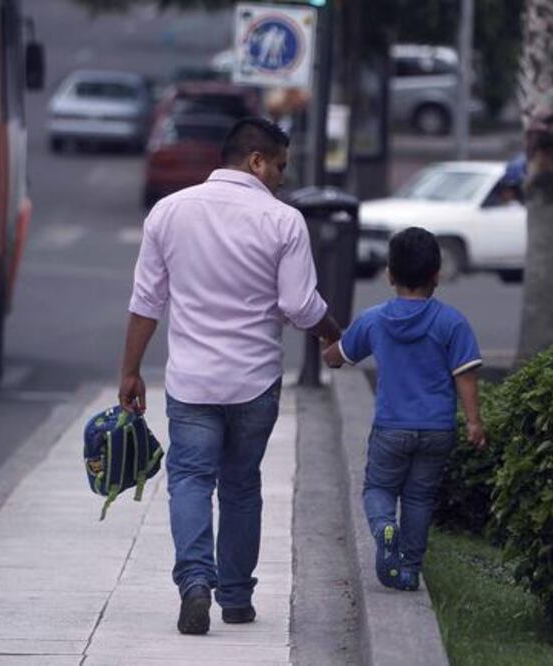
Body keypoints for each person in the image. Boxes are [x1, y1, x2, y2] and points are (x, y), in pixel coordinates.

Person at [118, 117, 341, 635]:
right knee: (241, 485)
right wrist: (334, 334)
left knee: (191, 481)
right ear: (256, 160)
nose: (284, 178)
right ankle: (236, 598)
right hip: (254, 381)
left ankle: (196, 583)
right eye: (281, 166)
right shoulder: (284, 222)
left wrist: (130, 372)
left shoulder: (169, 212)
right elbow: (298, 303)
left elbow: (147, 302)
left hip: (192, 381)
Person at [322, 227, 487, 591]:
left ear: (389, 275)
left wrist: (327, 344)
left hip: (391, 427)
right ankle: (409, 568)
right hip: (437, 429)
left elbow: (337, 359)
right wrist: (474, 422)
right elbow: (466, 377)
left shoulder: (374, 319)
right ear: (437, 276)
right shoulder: (452, 322)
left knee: (378, 488)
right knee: (419, 496)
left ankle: (383, 527)